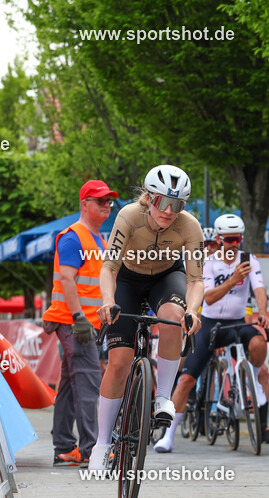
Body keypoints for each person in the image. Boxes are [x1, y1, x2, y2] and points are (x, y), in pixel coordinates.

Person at [90, 165, 204, 472]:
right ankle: (101, 443)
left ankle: (163, 398)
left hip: (167, 279)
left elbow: (195, 280)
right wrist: (109, 302)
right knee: (118, 363)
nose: (168, 211)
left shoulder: (190, 226)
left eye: (176, 204)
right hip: (127, 279)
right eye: (161, 201)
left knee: (173, 316)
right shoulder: (128, 216)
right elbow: (109, 268)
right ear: (148, 198)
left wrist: (193, 310)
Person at [154, 213, 269, 452]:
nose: (234, 244)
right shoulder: (208, 262)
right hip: (210, 325)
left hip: (237, 323)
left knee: (260, 343)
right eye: (229, 239)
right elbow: (208, 297)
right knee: (186, 380)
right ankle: (168, 437)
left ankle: (253, 381)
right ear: (220, 239)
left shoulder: (249, 260)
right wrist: (233, 280)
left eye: (237, 239)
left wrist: (263, 312)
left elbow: (260, 289)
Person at [41, 180, 117, 466]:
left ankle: (64, 447)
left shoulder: (98, 239)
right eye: (100, 201)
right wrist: (79, 318)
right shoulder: (74, 237)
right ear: (84, 204)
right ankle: (90, 449)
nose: (106, 206)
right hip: (76, 323)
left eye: (108, 201)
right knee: (88, 383)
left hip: (81, 322)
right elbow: (67, 279)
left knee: (72, 386)